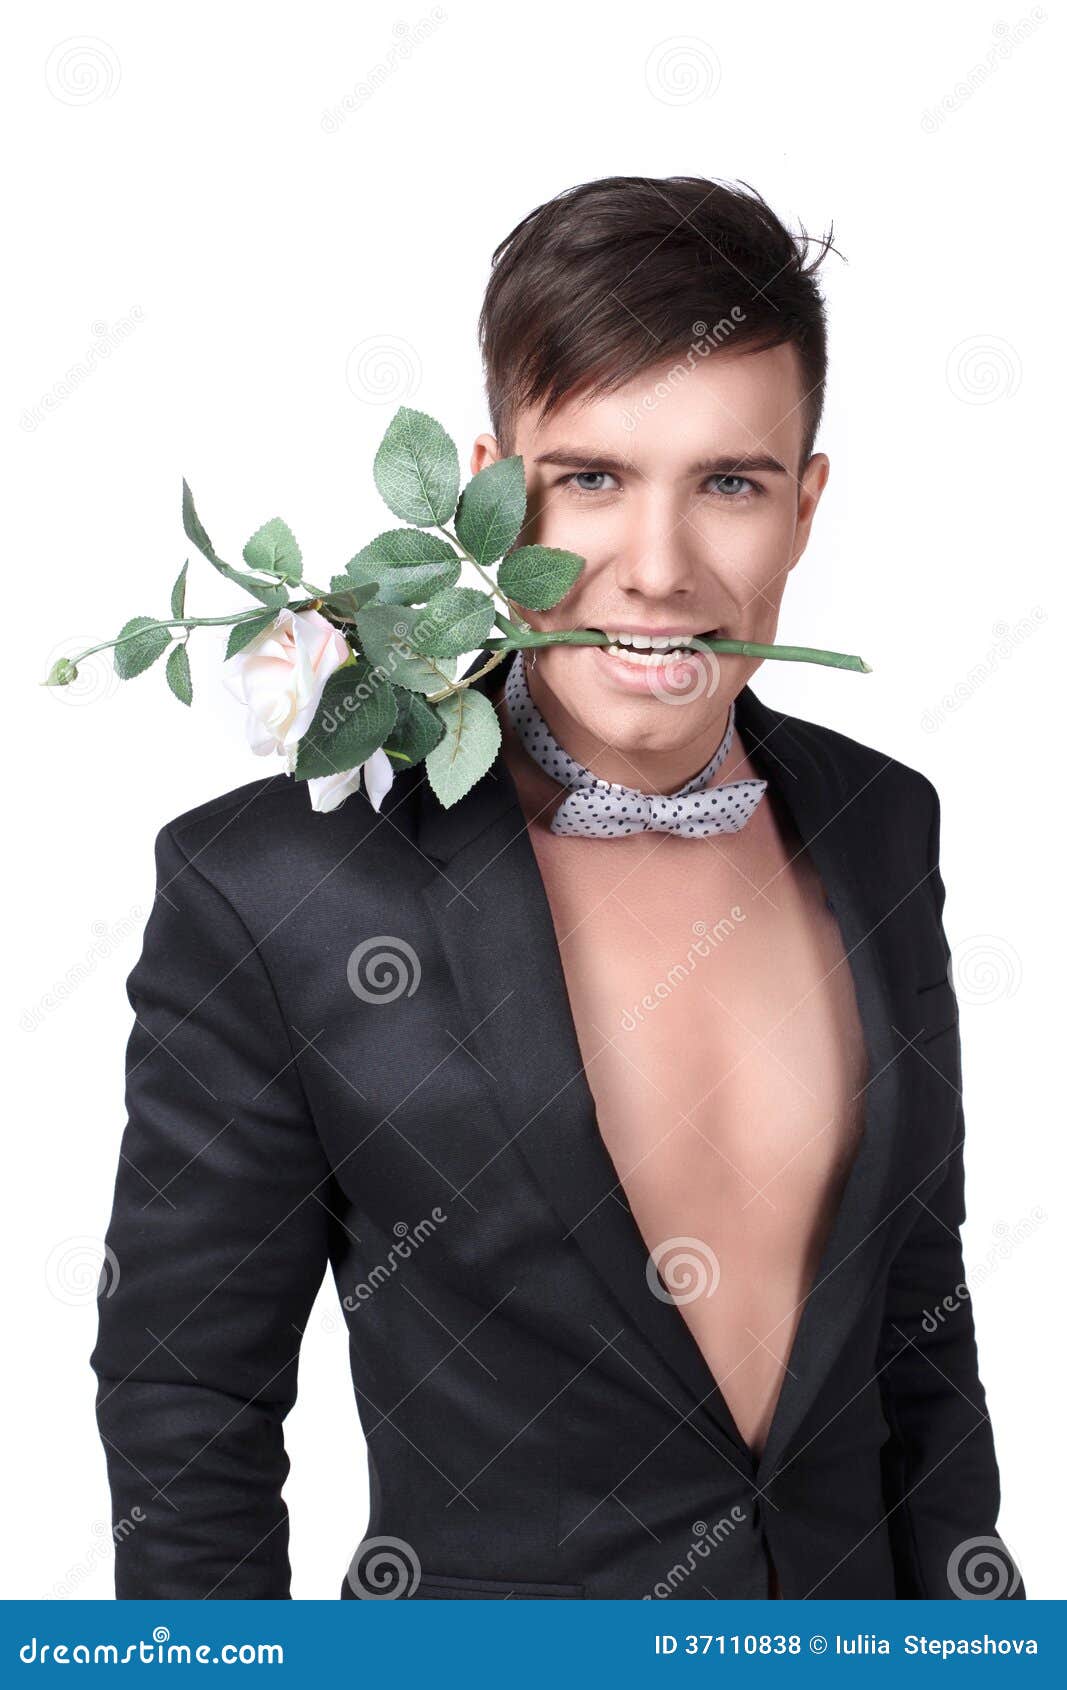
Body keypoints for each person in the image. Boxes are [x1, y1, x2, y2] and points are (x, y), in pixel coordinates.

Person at [90, 176, 1024, 1601]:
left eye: (729, 482)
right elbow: (187, 1404)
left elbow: (919, 1330)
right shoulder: (278, 887)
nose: (655, 571)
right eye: (590, 478)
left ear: (805, 505)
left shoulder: (883, 826)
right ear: (487, 487)